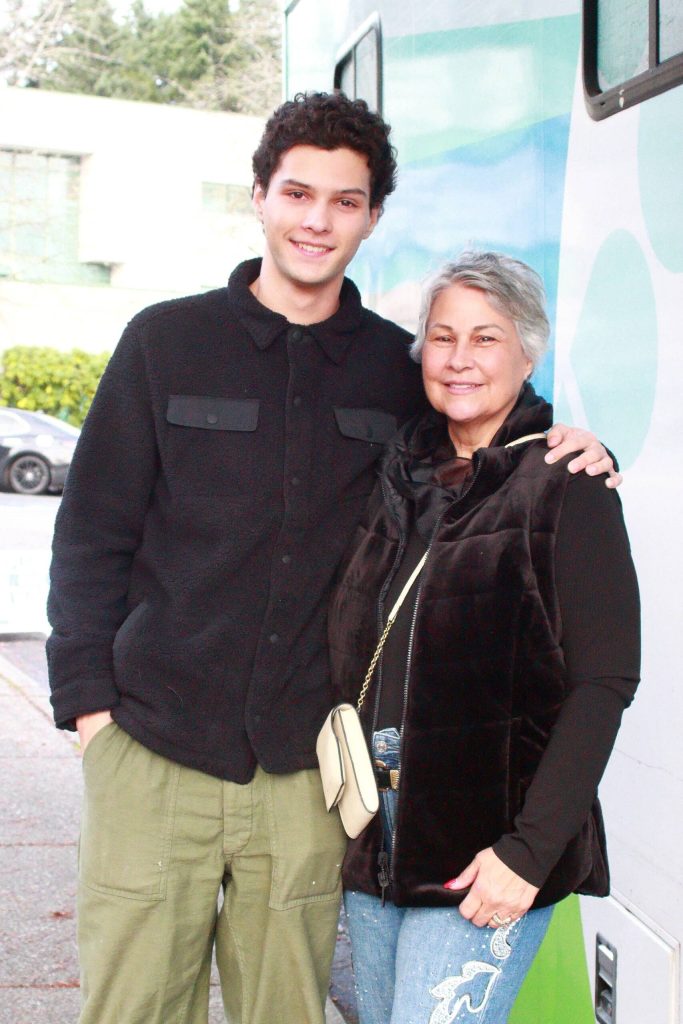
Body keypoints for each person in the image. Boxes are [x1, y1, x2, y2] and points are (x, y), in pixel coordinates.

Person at [47, 94, 619, 1024]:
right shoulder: (163, 341)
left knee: (288, 1012)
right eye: (298, 194)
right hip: (150, 750)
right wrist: (90, 714)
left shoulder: (400, 370)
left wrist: (582, 447)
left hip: (307, 777)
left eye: (344, 201)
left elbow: (496, 438)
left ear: (372, 217)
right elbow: (91, 536)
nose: (317, 220)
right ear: (261, 199)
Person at [328, 250, 640, 1024]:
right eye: (441, 337)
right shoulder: (401, 474)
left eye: (485, 338)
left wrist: (528, 853)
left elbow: (605, 682)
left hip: (485, 841)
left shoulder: (565, 481)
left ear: (527, 351)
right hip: (376, 825)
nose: (459, 359)